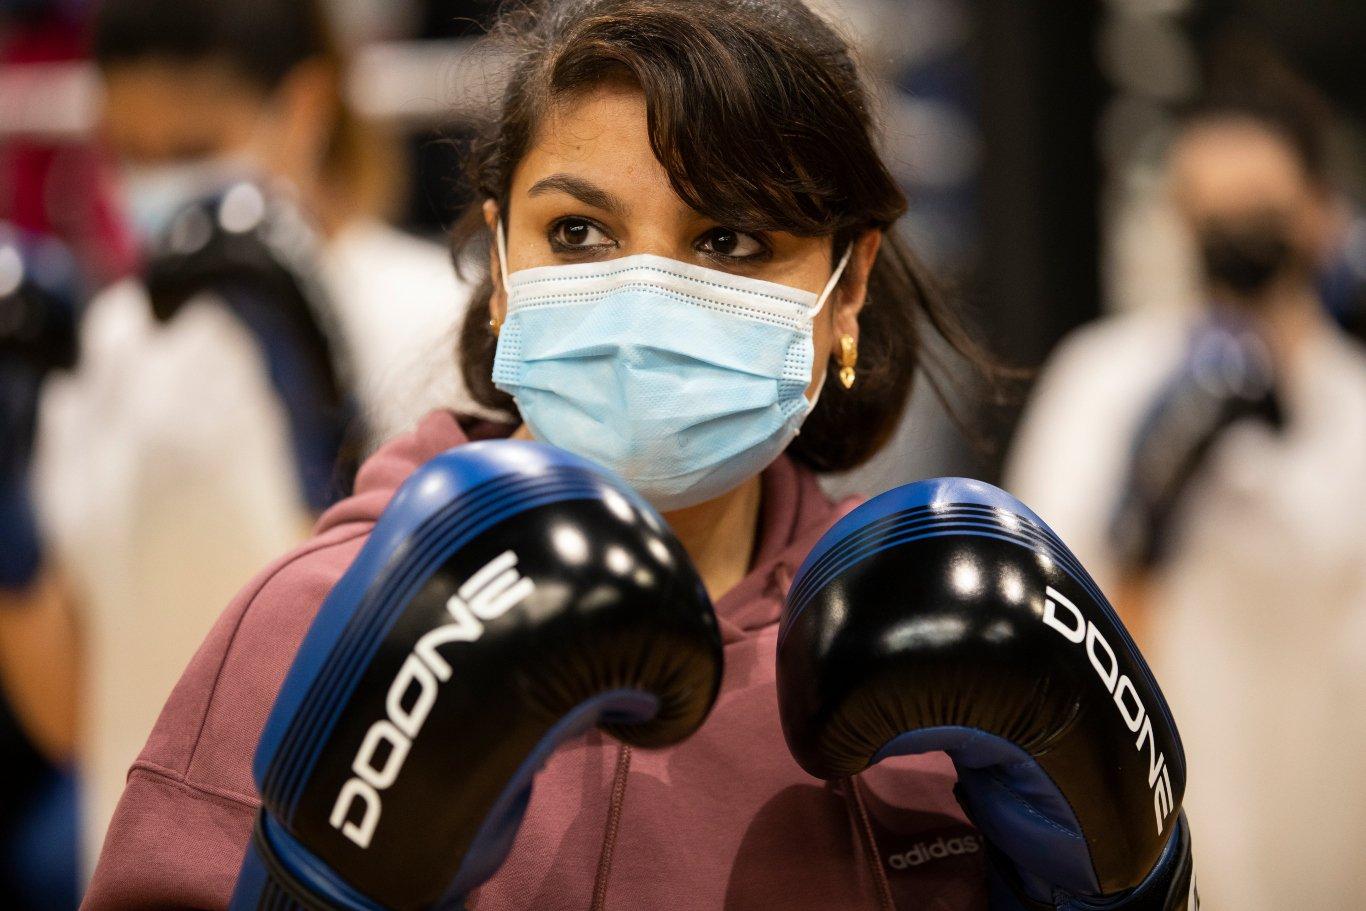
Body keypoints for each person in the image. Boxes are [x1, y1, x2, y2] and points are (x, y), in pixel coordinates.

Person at [83, 2, 1187, 908]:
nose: (644, 288)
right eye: (580, 233)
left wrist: (1134, 879)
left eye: (730, 239)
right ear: (503, 263)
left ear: (846, 288)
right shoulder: (319, 618)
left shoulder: (929, 682)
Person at [28, 0, 478, 869]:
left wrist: (330, 426)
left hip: (348, 872)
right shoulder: (112, 339)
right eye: (129, 152)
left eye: (194, 147)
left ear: (303, 110)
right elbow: (67, 712)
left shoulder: (439, 318)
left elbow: (446, 687)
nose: (154, 182)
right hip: (134, 869)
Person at [1006, 69, 1366, 910]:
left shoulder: (1358, 407)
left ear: (1317, 211)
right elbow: (1043, 648)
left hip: (1333, 836)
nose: (1231, 234)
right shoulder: (1102, 381)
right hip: (1169, 844)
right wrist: (1144, 516)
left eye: (1259, 208)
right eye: (1208, 209)